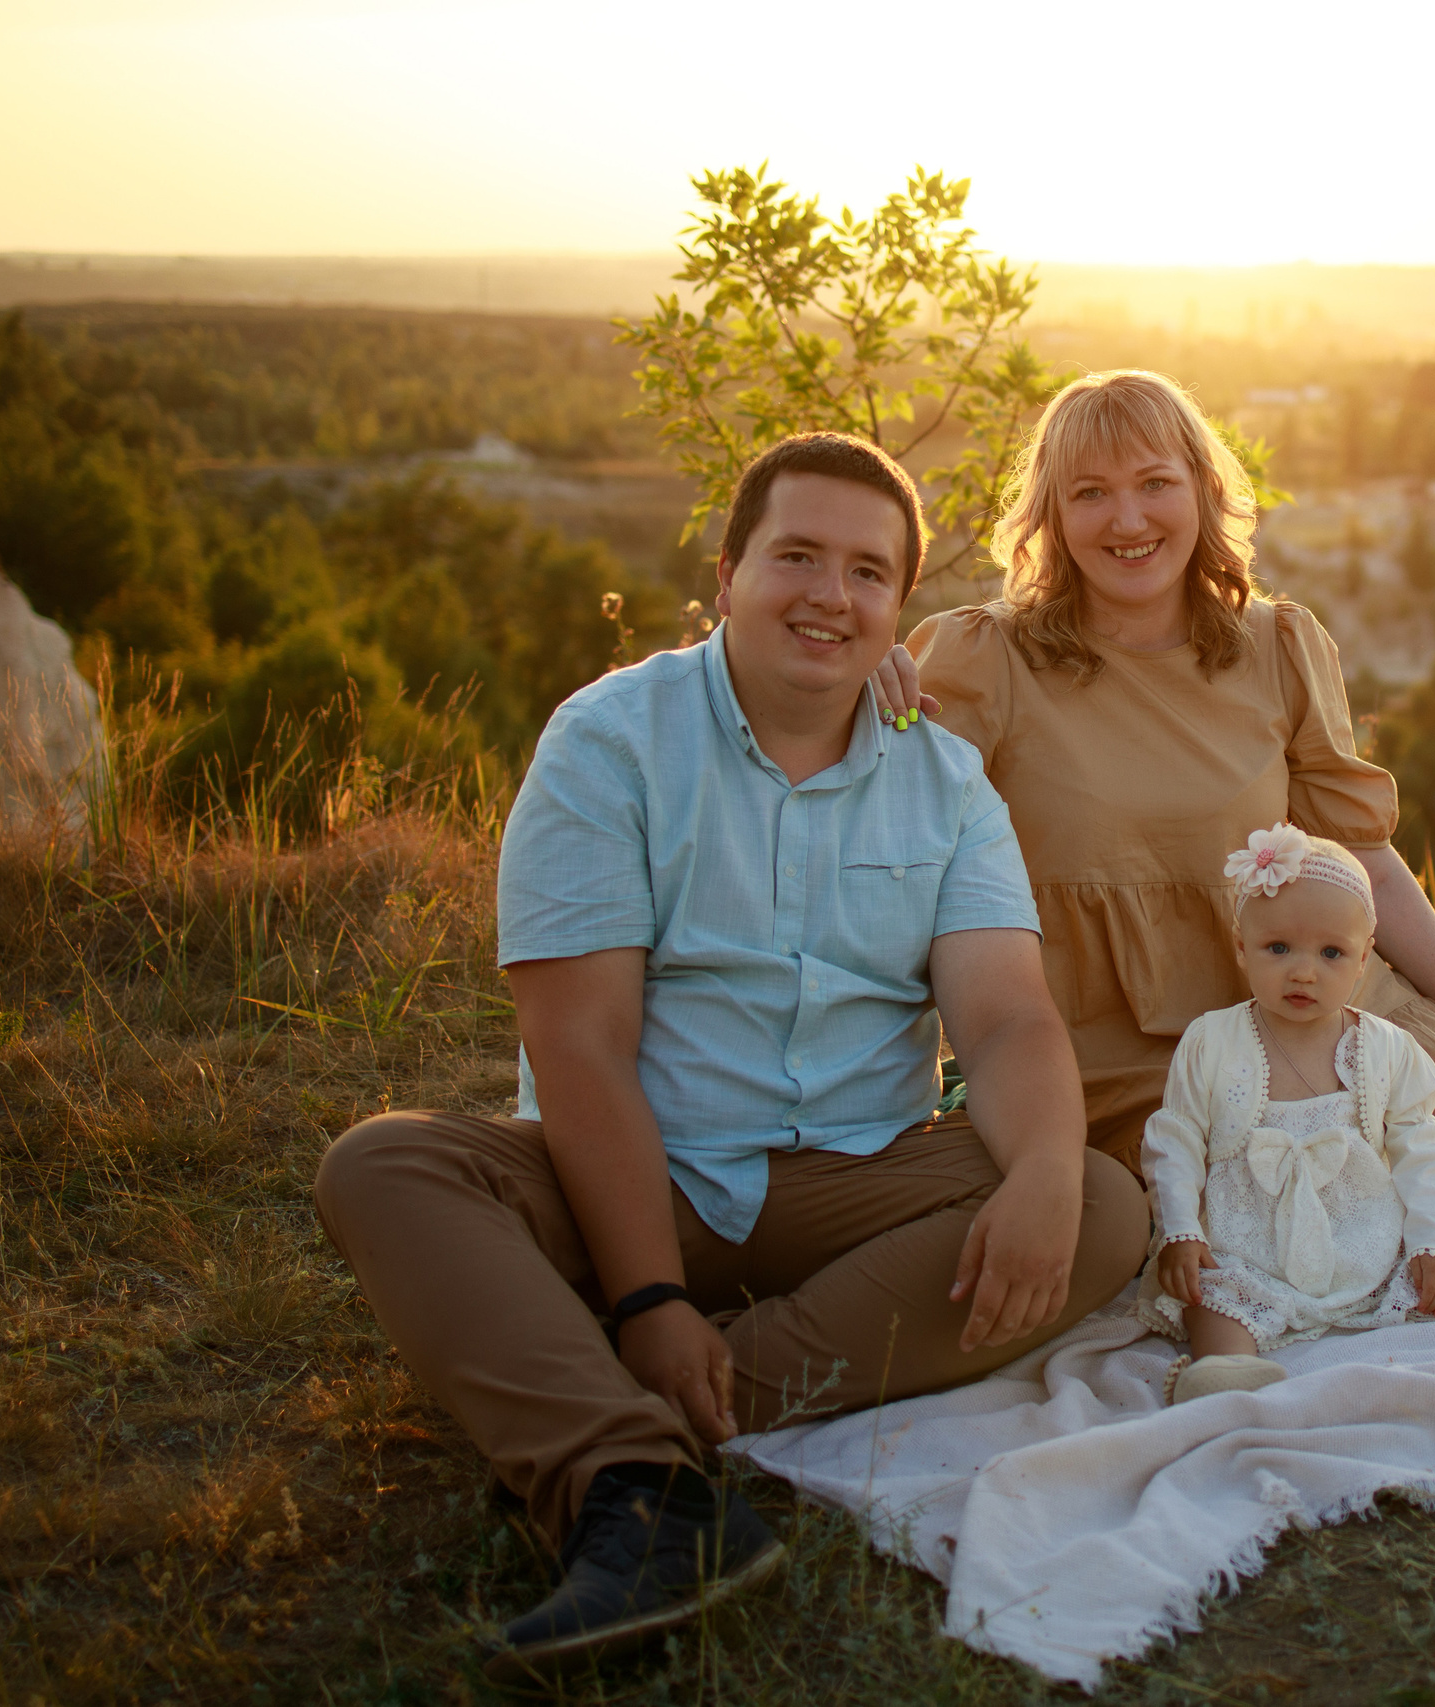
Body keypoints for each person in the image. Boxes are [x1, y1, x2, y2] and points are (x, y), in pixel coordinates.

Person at [315, 433, 1149, 1680]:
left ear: (897, 608)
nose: (830, 594)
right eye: (797, 556)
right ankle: (640, 1492)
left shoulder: (945, 782)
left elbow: (1010, 1020)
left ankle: (652, 1414)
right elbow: (579, 1044)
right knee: (386, 1169)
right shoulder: (609, 741)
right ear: (726, 573)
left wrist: (1039, 1170)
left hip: (849, 1180)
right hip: (622, 1174)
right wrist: (650, 1296)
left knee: (1094, 1203)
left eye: (868, 572)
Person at [878, 369, 1435, 1224]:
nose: (1128, 519)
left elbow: (1366, 862)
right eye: (1090, 493)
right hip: (1117, 1048)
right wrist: (857, 671)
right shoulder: (983, 658)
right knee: (1244, 1189)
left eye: (1155, 482)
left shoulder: (1276, 644)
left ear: (1200, 490)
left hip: (1300, 999)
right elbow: (873, 808)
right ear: (1051, 514)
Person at [1135, 824, 1435, 1404]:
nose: (1304, 972)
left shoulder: (1386, 1049)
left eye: (1331, 953)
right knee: (1212, 1290)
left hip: (1359, 1219)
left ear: (1363, 961)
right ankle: (1224, 1366)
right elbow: (1177, 1139)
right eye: (1278, 948)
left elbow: (1419, 1150)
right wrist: (1184, 1230)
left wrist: (1431, 1240)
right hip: (1248, 1230)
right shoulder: (1212, 1041)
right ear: (1242, 948)